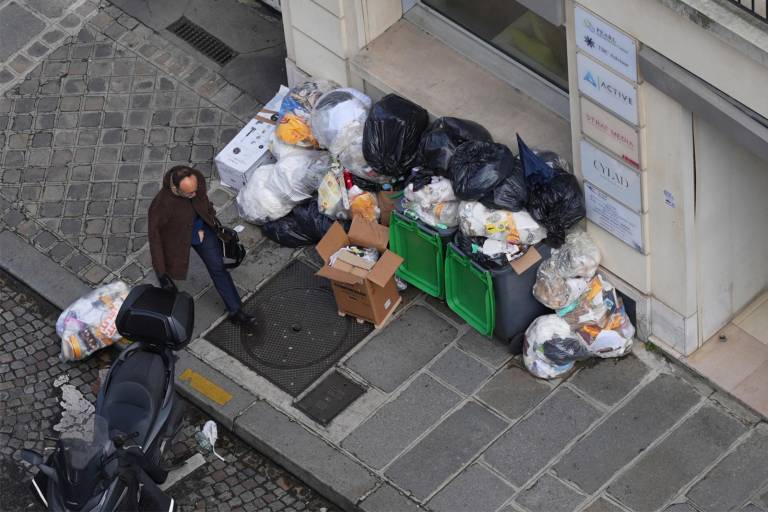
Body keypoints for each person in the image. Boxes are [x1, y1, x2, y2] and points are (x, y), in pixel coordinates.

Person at [148, 165, 256, 326]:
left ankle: (235, 311)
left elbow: (203, 200)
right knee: (169, 265)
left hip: (202, 229)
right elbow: (155, 238)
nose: (194, 194)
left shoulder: (196, 179)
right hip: (177, 239)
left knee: (218, 268)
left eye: (195, 190)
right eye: (189, 193)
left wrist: (210, 215)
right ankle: (165, 279)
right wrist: (161, 271)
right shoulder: (161, 206)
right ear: (175, 189)